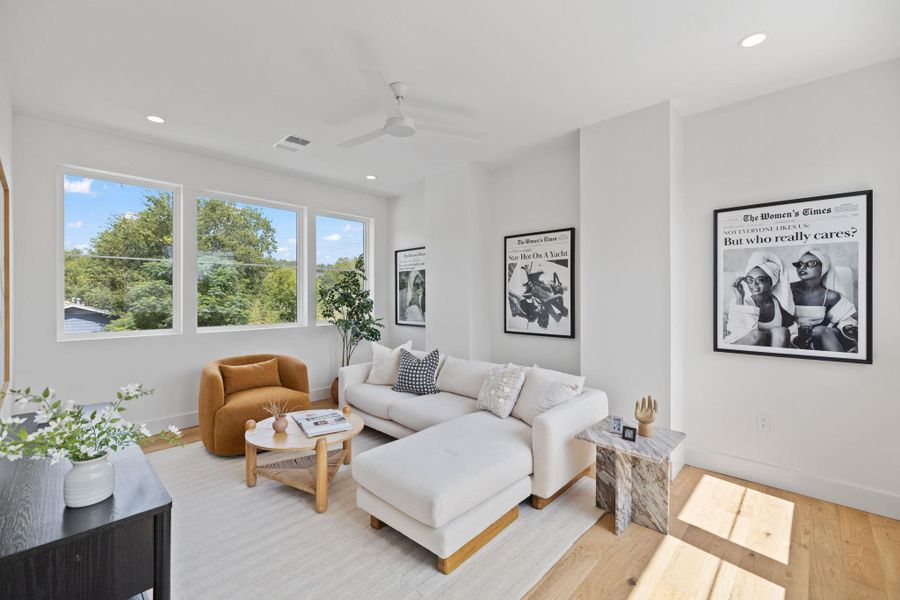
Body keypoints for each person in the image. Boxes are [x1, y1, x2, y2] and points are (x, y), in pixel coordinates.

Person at [789, 246, 858, 352]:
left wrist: (848, 326)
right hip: (793, 336)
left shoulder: (830, 296)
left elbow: (846, 320)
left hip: (819, 336)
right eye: (799, 264)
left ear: (824, 268)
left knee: (819, 330)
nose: (802, 267)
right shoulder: (787, 290)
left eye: (811, 264)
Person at [724, 251, 794, 347]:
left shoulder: (780, 304)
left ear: (772, 281)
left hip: (771, 346)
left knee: (782, 331)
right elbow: (738, 332)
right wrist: (739, 299)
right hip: (747, 344)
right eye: (749, 279)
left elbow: (788, 333)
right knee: (758, 336)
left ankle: (776, 360)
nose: (754, 284)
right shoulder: (740, 301)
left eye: (760, 279)